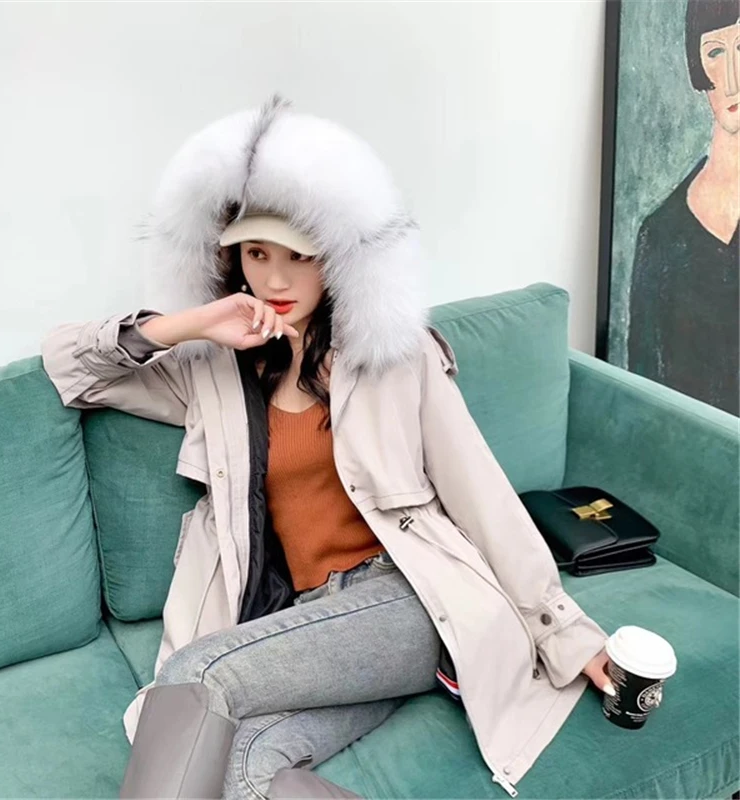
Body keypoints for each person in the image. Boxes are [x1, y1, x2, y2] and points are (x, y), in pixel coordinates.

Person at [41, 95, 614, 800]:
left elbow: (484, 498)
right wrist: (193, 323)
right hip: (309, 624)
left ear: (336, 259)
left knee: (194, 676)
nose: (276, 280)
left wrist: (565, 630)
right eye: (256, 255)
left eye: (299, 257)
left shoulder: (395, 357)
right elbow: (70, 367)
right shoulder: (215, 374)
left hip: (407, 599)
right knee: (244, 772)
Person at [627, 0, 739, 415]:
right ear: (698, 67)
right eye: (715, 52)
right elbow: (642, 392)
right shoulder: (661, 234)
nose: (732, 77)